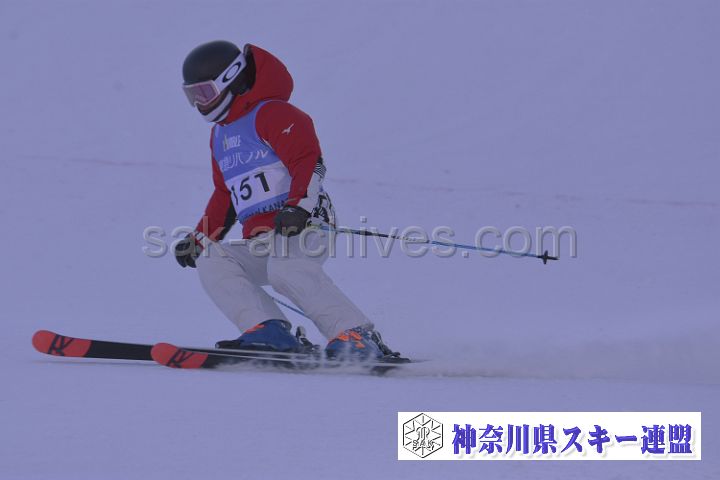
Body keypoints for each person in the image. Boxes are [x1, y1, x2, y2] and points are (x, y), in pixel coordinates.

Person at [174, 40, 399, 359]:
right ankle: (268, 330)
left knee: (286, 268)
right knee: (213, 260)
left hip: (305, 223)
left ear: (231, 78)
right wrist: (201, 237)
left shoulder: (273, 114)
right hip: (261, 238)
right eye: (192, 96)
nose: (200, 103)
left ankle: (356, 335)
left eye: (205, 93)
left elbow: (309, 162)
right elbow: (226, 193)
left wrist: (298, 207)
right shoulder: (220, 135)